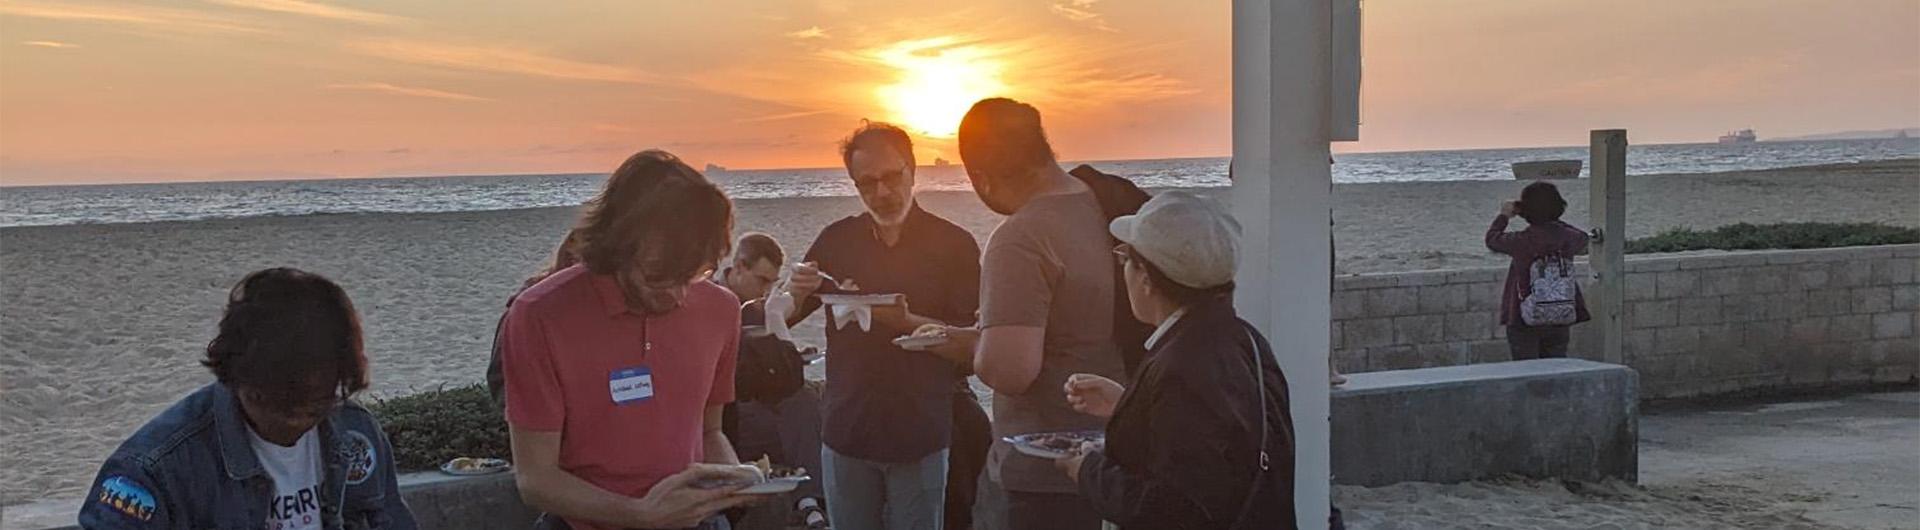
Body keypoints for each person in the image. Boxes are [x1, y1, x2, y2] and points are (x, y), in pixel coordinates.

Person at [500, 150, 768, 530]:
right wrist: (640, 515)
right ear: (618, 242)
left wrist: (736, 480)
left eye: (693, 274)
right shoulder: (540, 314)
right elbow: (536, 479)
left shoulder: (721, 309)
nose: (677, 295)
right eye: (659, 275)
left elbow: (709, 431)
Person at [77, 268, 418, 530]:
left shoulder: (355, 434)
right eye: (285, 408)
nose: (299, 423)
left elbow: (388, 519)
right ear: (242, 380)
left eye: (318, 402)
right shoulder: (155, 470)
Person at [929, 98, 1129, 530]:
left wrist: (975, 342)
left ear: (979, 177)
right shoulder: (1104, 204)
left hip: (1042, 474)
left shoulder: (1020, 237)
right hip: (1116, 459)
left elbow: (1010, 370)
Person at [782, 122, 982, 530]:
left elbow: (974, 348)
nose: (882, 193)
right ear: (855, 185)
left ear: (913, 169)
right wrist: (793, 290)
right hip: (846, 432)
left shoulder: (954, 245)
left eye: (892, 177)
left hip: (920, 432)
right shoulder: (837, 240)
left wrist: (906, 322)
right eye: (867, 183)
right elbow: (785, 317)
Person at [1056, 191, 1298, 529]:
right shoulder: (1242, 339)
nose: (1122, 268)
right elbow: (1223, 446)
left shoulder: (1182, 365)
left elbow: (1177, 509)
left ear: (1145, 279)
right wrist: (1129, 405)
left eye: (1126, 258)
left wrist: (1088, 471)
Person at [716, 232, 831, 530]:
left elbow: (781, 371)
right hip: (727, 415)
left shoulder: (759, 305)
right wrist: (776, 320)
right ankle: (811, 501)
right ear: (738, 267)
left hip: (762, 406)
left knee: (809, 401)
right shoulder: (715, 302)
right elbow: (777, 374)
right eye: (762, 281)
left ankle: (810, 500)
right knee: (801, 401)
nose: (767, 291)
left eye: (773, 283)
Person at [1485, 181, 1591, 359]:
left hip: (1524, 315)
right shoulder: (1567, 237)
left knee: (1527, 371)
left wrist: (1504, 216)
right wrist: (1553, 218)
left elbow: (1492, 239)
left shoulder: (1522, 241)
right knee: (1555, 368)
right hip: (1560, 309)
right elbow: (1582, 237)